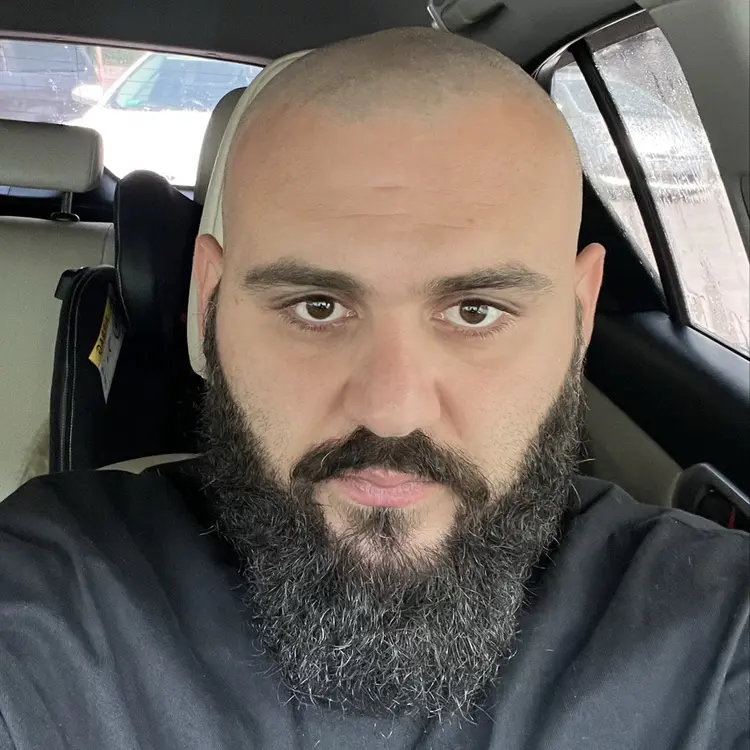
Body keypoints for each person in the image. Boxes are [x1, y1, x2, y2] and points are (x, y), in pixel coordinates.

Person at [0, 27, 747, 750]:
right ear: (209, 303)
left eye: (475, 311)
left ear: (579, 317)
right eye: (316, 307)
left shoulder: (716, 634)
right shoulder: (53, 593)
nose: (391, 410)